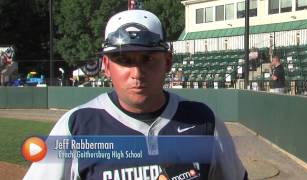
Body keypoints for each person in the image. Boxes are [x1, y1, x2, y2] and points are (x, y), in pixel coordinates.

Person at [24, 10, 247, 180]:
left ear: (167, 62)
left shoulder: (203, 120)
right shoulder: (77, 126)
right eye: (123, 60)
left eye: (147, 58)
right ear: (106, 66)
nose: (137, 73)